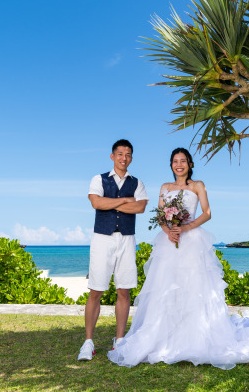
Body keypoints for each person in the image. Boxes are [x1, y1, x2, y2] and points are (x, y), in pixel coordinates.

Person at [107, 148, 249, 370]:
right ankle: (164, 336)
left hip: (192, 241)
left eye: (183, 161)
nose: (179, 165)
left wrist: (185, 228)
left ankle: (194, 337)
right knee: (167, 287)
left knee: (193, 287)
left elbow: (207, 213)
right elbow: (161, 215)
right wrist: (169, 231)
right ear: (171, 165)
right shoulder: (165, 187)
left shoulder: (198, 185)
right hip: (169, 242)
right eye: (175, 161)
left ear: (190, 164)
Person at [77, 139, 148, 361]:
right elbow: (96, 203)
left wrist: (112, 202)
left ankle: (119, 340)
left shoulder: (137, 182)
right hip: (102, 239)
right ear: (112, 156)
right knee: (95, 291)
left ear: (131, 158)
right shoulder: (99, 179)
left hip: (126, 239)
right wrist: (125, 200)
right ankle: (88, 342)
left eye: (128, 154)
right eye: (120, 154)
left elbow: (140, 207)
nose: (123, 158)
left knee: (124, 291)